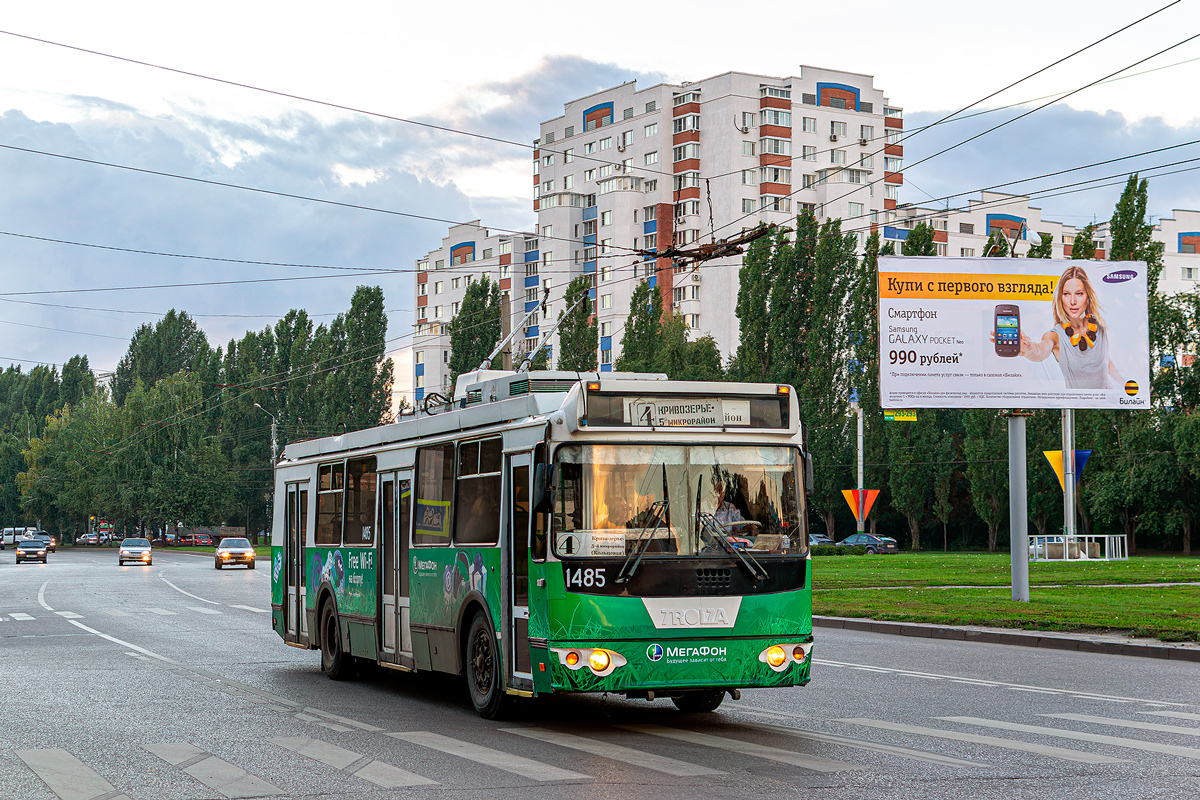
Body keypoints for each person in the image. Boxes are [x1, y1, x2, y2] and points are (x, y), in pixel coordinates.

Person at [993, 265, 1121, 389]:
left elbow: (1107, 365)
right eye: (1066, 294)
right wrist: (1029, 348)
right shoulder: (1055, 335)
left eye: (1079, 294)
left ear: (1088, 296)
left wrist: (1127, 387)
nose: (1072, 301)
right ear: (1060, 298)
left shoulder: (1101, 328)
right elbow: (1039, 352)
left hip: (1108, 402)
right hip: (1080, 406)